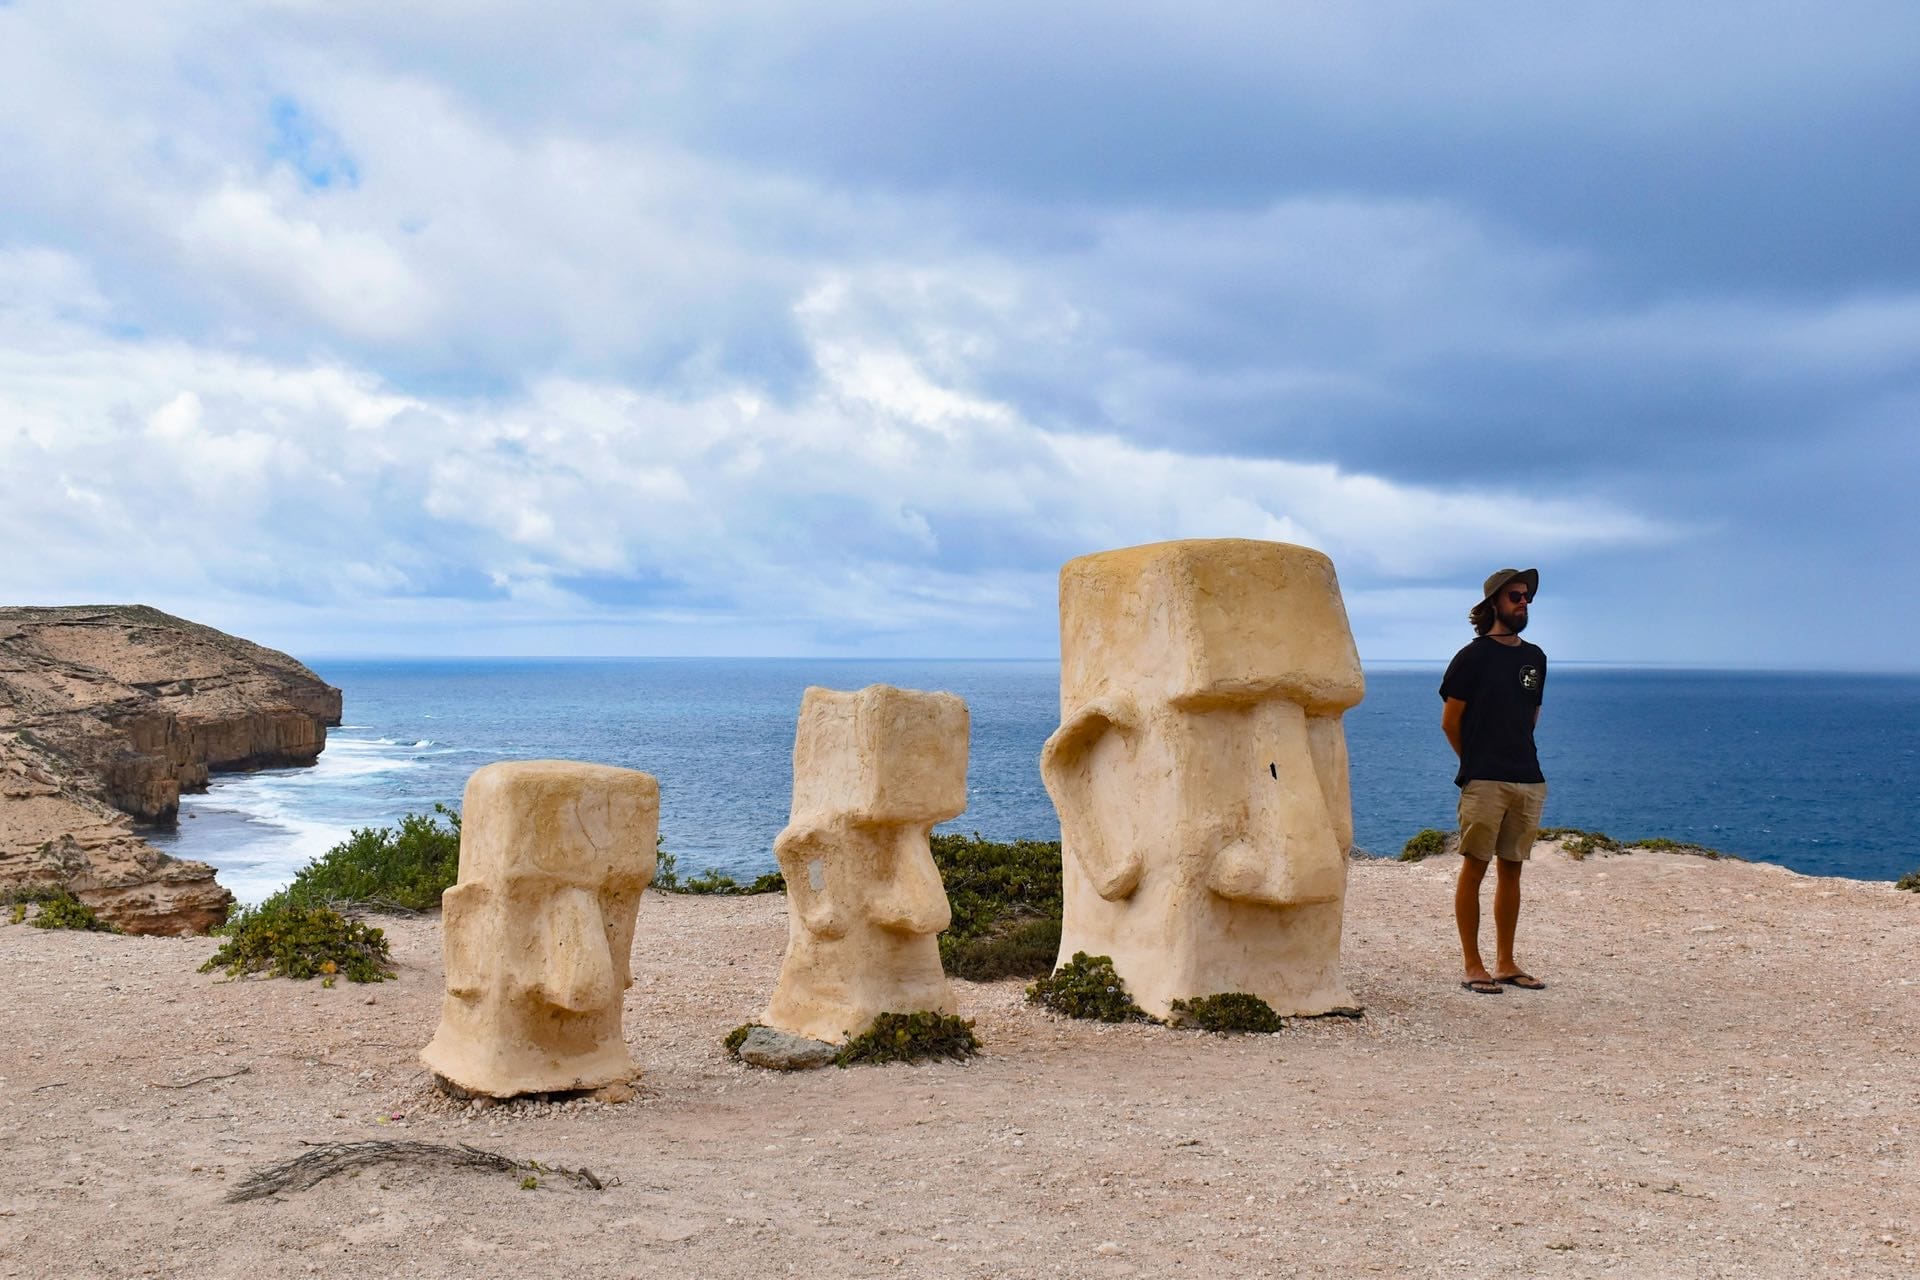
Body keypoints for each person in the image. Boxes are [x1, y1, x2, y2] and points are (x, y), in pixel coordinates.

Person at [1440, 567, 1548, 995]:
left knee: (1513, 870)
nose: (1524, 603)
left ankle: (1506, 962)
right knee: (1475, 868)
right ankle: (1473, 964)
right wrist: (1475, 762)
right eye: (1516, 597)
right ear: (1494, 605)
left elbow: (1531, 717)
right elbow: (1451, 722)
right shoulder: (1472, 657)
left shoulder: (1536, 657)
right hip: (1485, 780)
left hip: (1528, 778)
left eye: (1527, 597)